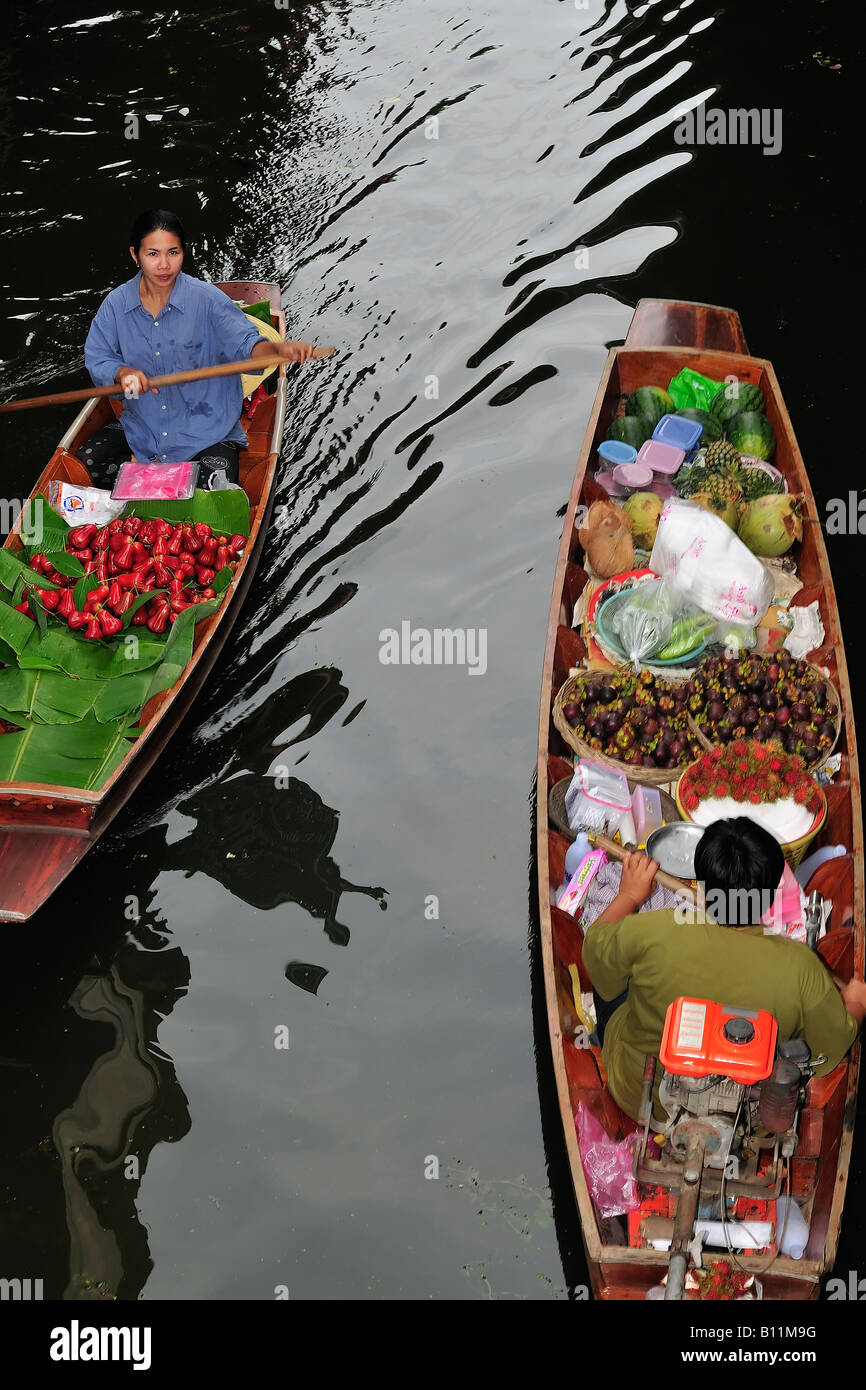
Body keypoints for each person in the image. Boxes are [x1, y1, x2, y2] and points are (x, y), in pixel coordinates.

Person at [582, 817, 866, 1123]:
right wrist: (855, 1004)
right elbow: (827, 1053)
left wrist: (629, 895)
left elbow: (594, 951)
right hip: (743, 1117)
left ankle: (595, 1044)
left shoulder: (654, 930)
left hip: (640, 1096)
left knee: (610, 963)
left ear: (700, 885)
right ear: (770, 897)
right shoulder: (802, 968)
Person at [80, 209, 317, 489]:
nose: (164, 265)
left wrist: (277, 351)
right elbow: (98, 357)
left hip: (207, 430)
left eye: (173, 252)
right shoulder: (115, 305)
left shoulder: (207, 300)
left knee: (214, 493)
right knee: (88, 462)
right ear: (135, 254)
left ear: (184, 252)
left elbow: (246, 345)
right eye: (153, 254)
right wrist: (122, 372)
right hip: (144, 426)